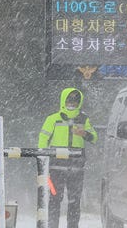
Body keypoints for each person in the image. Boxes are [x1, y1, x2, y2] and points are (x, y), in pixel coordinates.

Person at [38, 87, 98, 228]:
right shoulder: (53, 119)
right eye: (69, 100)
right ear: (63, 101)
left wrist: (84, 134)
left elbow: (94, 138)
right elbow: (43, 139)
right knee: (54, 200)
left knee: (74, 201)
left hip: (76, 168)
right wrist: (43, 158)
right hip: (55, 167)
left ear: (80, 102)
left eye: (75, 101)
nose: (72, 103)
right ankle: (53, 226)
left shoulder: (84, 119)